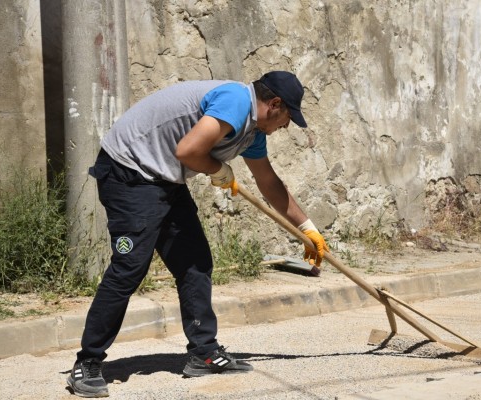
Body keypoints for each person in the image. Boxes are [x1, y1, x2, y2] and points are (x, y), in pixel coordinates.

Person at [66, 71, 329, 398]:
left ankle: (203, 353)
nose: (287, 126)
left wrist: (306, 228)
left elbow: (268, 182)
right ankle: (87, 362)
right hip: (129, 172)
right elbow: (188, 150)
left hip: (165, 178)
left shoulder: (252, 131)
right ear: (274, 104)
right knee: (129, 268)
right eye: (289, 116)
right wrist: (218, 170)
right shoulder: (236, 102)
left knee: (195, 262)